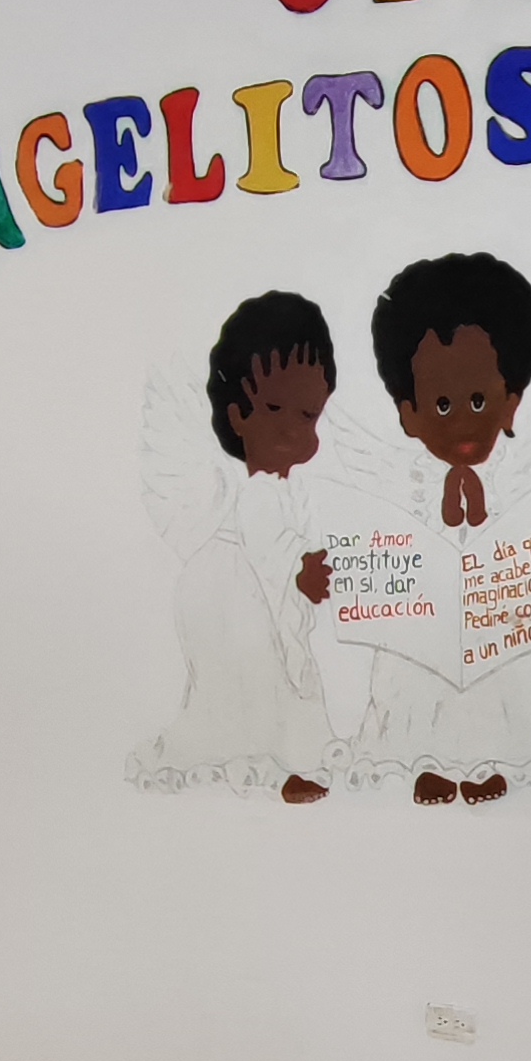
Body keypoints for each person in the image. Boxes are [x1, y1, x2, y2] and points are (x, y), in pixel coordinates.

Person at [327, 251, 531, 805]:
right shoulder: (400, 486)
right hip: (418, 628)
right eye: (442, 405)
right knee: (411, 675)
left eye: (479, 400)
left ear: (510, 404)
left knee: (506, 672)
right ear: (409, 415)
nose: (463, 420)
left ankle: (501, 759)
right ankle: (422, 759)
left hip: (501, 622)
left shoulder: (522, 483)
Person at [129, 291, 337, 803]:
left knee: (271, 679)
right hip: (234, 594)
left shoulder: (289, 490)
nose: (291, 428)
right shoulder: (257, 491)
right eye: (273, 408)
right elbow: (268, 544)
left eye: (308, 415)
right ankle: (264, 760)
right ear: (237, 412)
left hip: (253, 588)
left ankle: (285, 758)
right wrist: (299, 571)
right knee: (249, 676)